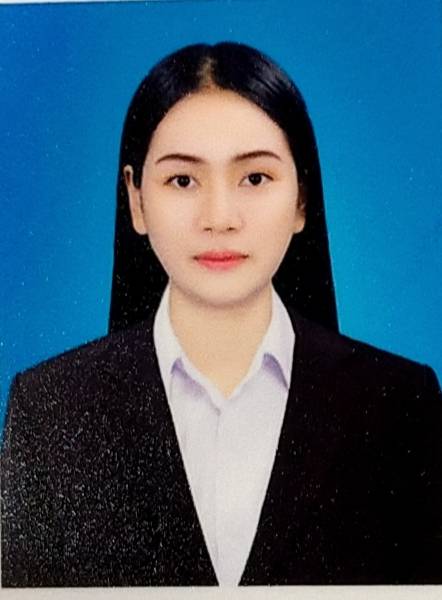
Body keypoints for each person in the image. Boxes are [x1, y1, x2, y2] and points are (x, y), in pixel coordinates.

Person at [1, 42, 441, 587]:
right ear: (136, 200)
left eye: (254, 178)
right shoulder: (51, 409)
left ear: (302, 199)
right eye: (183, 180)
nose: (219, 217)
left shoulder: (399, 403)